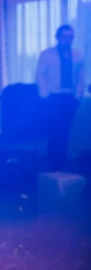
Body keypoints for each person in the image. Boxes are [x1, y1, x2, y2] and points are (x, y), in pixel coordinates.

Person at [36, 24, 85, 171]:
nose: (67, 40)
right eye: (64, 36)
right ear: (57, 37)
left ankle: (62, 168)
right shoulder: (47, 54)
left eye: (71, 37)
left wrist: (77, 98)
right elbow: (40, 75)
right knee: (53, 133)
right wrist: (45, 96)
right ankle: (52, 168)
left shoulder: (78, 56)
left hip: (69, 99)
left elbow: (81, 79)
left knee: (65, 133)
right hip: (52, 99)